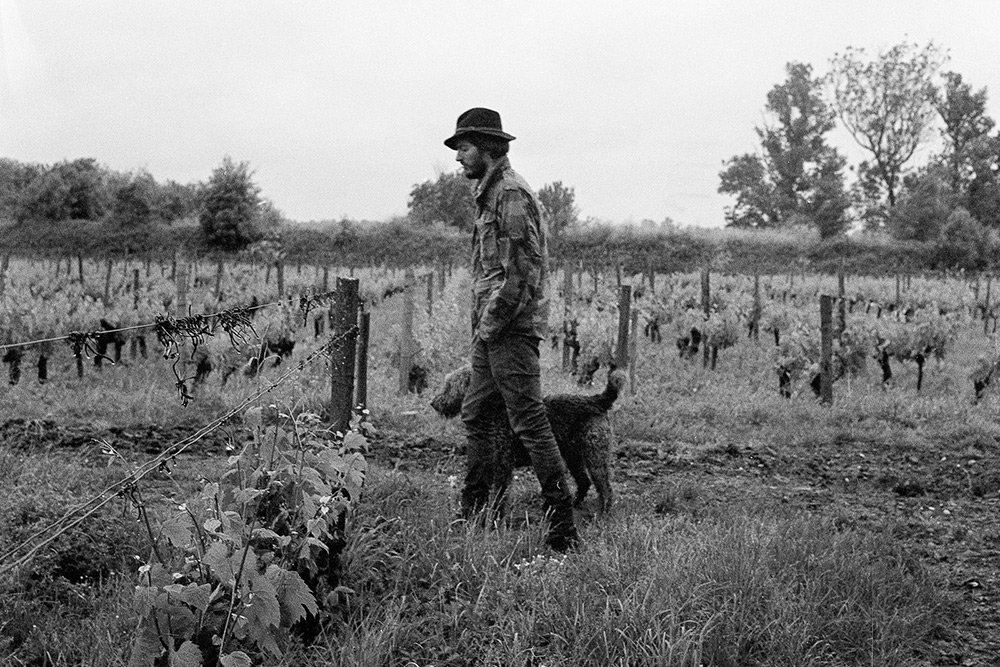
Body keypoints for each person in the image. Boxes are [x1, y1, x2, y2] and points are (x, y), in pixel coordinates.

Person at [444, 107, 579, 552]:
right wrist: (484, 327)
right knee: (478, 414)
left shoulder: (511, 193)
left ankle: (562, 525)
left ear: (486, 148)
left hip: (510, 328)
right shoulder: (490, 193)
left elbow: (524, 267)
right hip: (492, 330)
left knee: (530, 422)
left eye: (463, 147)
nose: (458, 156)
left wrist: (493, 322)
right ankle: (477, 511)